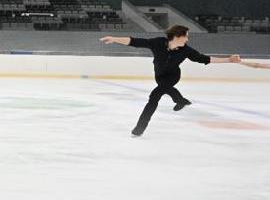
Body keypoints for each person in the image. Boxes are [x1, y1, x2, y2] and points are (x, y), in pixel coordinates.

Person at [100, 25, 240, 136]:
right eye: (186, 36)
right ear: (177, 36)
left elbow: (204, 59)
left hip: (173, 76)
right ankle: (181, 101)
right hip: (159, 75)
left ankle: (139, 129)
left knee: (154, 96)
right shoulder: (158, 42)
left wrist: (229, 60)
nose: (187, 39)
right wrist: (115, 39)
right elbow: (135, 42)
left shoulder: (186, 50)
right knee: (166, 89)